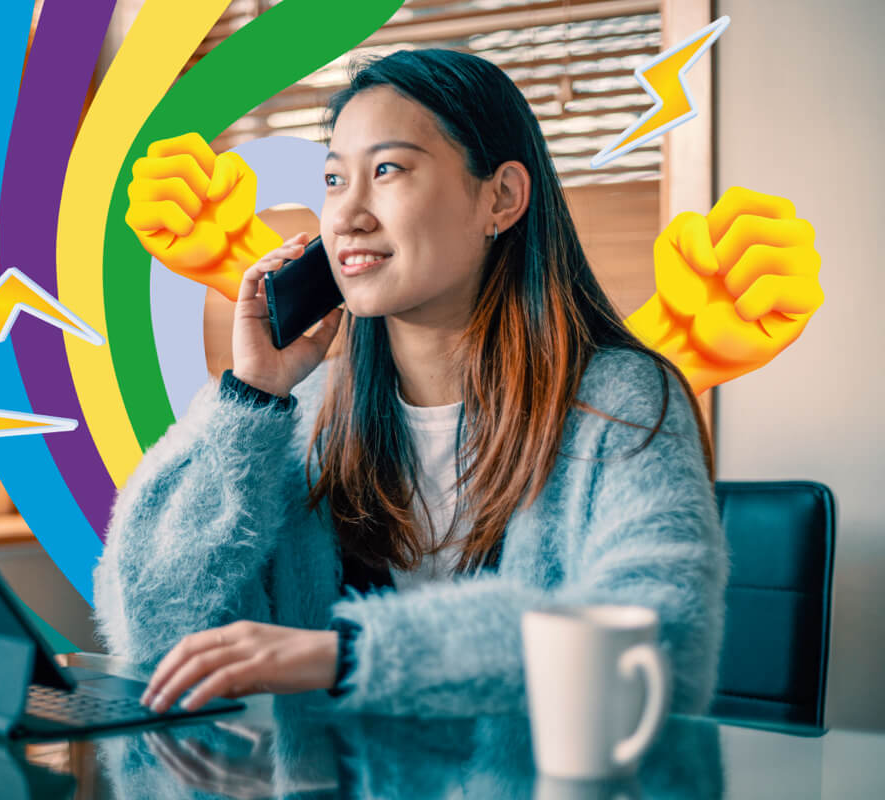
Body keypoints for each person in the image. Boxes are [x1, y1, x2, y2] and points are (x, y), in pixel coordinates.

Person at [92, 49, 729, 718]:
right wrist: (249, 399)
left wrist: (352, 656)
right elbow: (152, 626)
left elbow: (661, 638)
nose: (346, 216)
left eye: (387, 170)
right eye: (335, 180)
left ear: (501, 198)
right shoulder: (304, 414)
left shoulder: (622, 403)